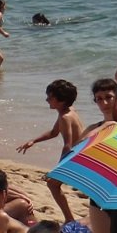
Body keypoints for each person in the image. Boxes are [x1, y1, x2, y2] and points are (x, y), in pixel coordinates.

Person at [17, 81, 86, 222]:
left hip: (77, 156)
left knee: (53, 184)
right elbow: (54, 132)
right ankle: (70, 218)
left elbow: (68, 145)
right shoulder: (67, 111)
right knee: (55, 184)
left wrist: (58, 169)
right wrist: (34, 141)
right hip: (81, 153)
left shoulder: (65, 117)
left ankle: (69, 219)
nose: (47, 99)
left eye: (50, 97)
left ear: (61, 100)